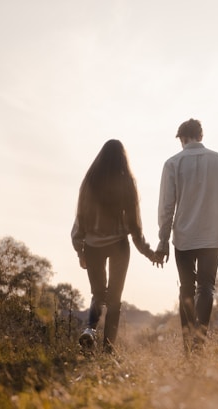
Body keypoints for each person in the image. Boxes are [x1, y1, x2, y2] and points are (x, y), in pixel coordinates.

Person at [155, 118, 218, 354]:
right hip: (211, 236)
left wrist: (162, 241)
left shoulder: (172, 163)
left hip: (184, 237)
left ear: (182, 139)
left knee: (186, 287)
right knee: (206, 288)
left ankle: (188, 347)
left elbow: (166, 207)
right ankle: (198, 344)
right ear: (201, 136)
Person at [71, 139, 155, 354]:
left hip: (92, 246)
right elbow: (134, 226)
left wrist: (80, 249)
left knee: (98, 294)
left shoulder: (90, 181)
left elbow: (80, 218)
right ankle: (108, 350)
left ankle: (89, 329)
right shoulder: (126, 182)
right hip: (119, 246)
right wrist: (149, 253)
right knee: (115, 299)